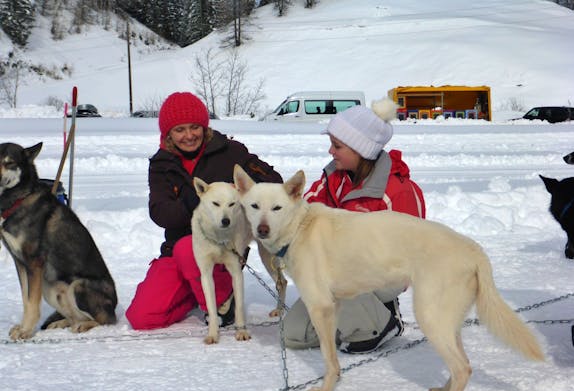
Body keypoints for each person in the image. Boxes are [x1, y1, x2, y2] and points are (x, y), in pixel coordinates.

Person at [126, 92, 282, 330]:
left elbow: (273, 181)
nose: (189, 136)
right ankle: (196, 290)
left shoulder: (230, 152)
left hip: (222, 247)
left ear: (204, 126)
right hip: (176, 251)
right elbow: (160, 213)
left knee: (188, 248)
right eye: (179, 130)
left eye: (194, 127)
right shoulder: (161, 164)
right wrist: (190, 202)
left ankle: (221, 303)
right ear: (168, 134)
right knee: (142, 318)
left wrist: (241, 191)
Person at [283, 98, 426, 354]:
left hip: (383, 275)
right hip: (337, 270)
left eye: (337, 146)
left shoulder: (396, 191)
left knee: (343, 290)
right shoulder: (334, 178)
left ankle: (385, 319)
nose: (330, 152)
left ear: (361, 150)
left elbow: (411, 250)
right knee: (295, 334)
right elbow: (305, 210)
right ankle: (356, 315)